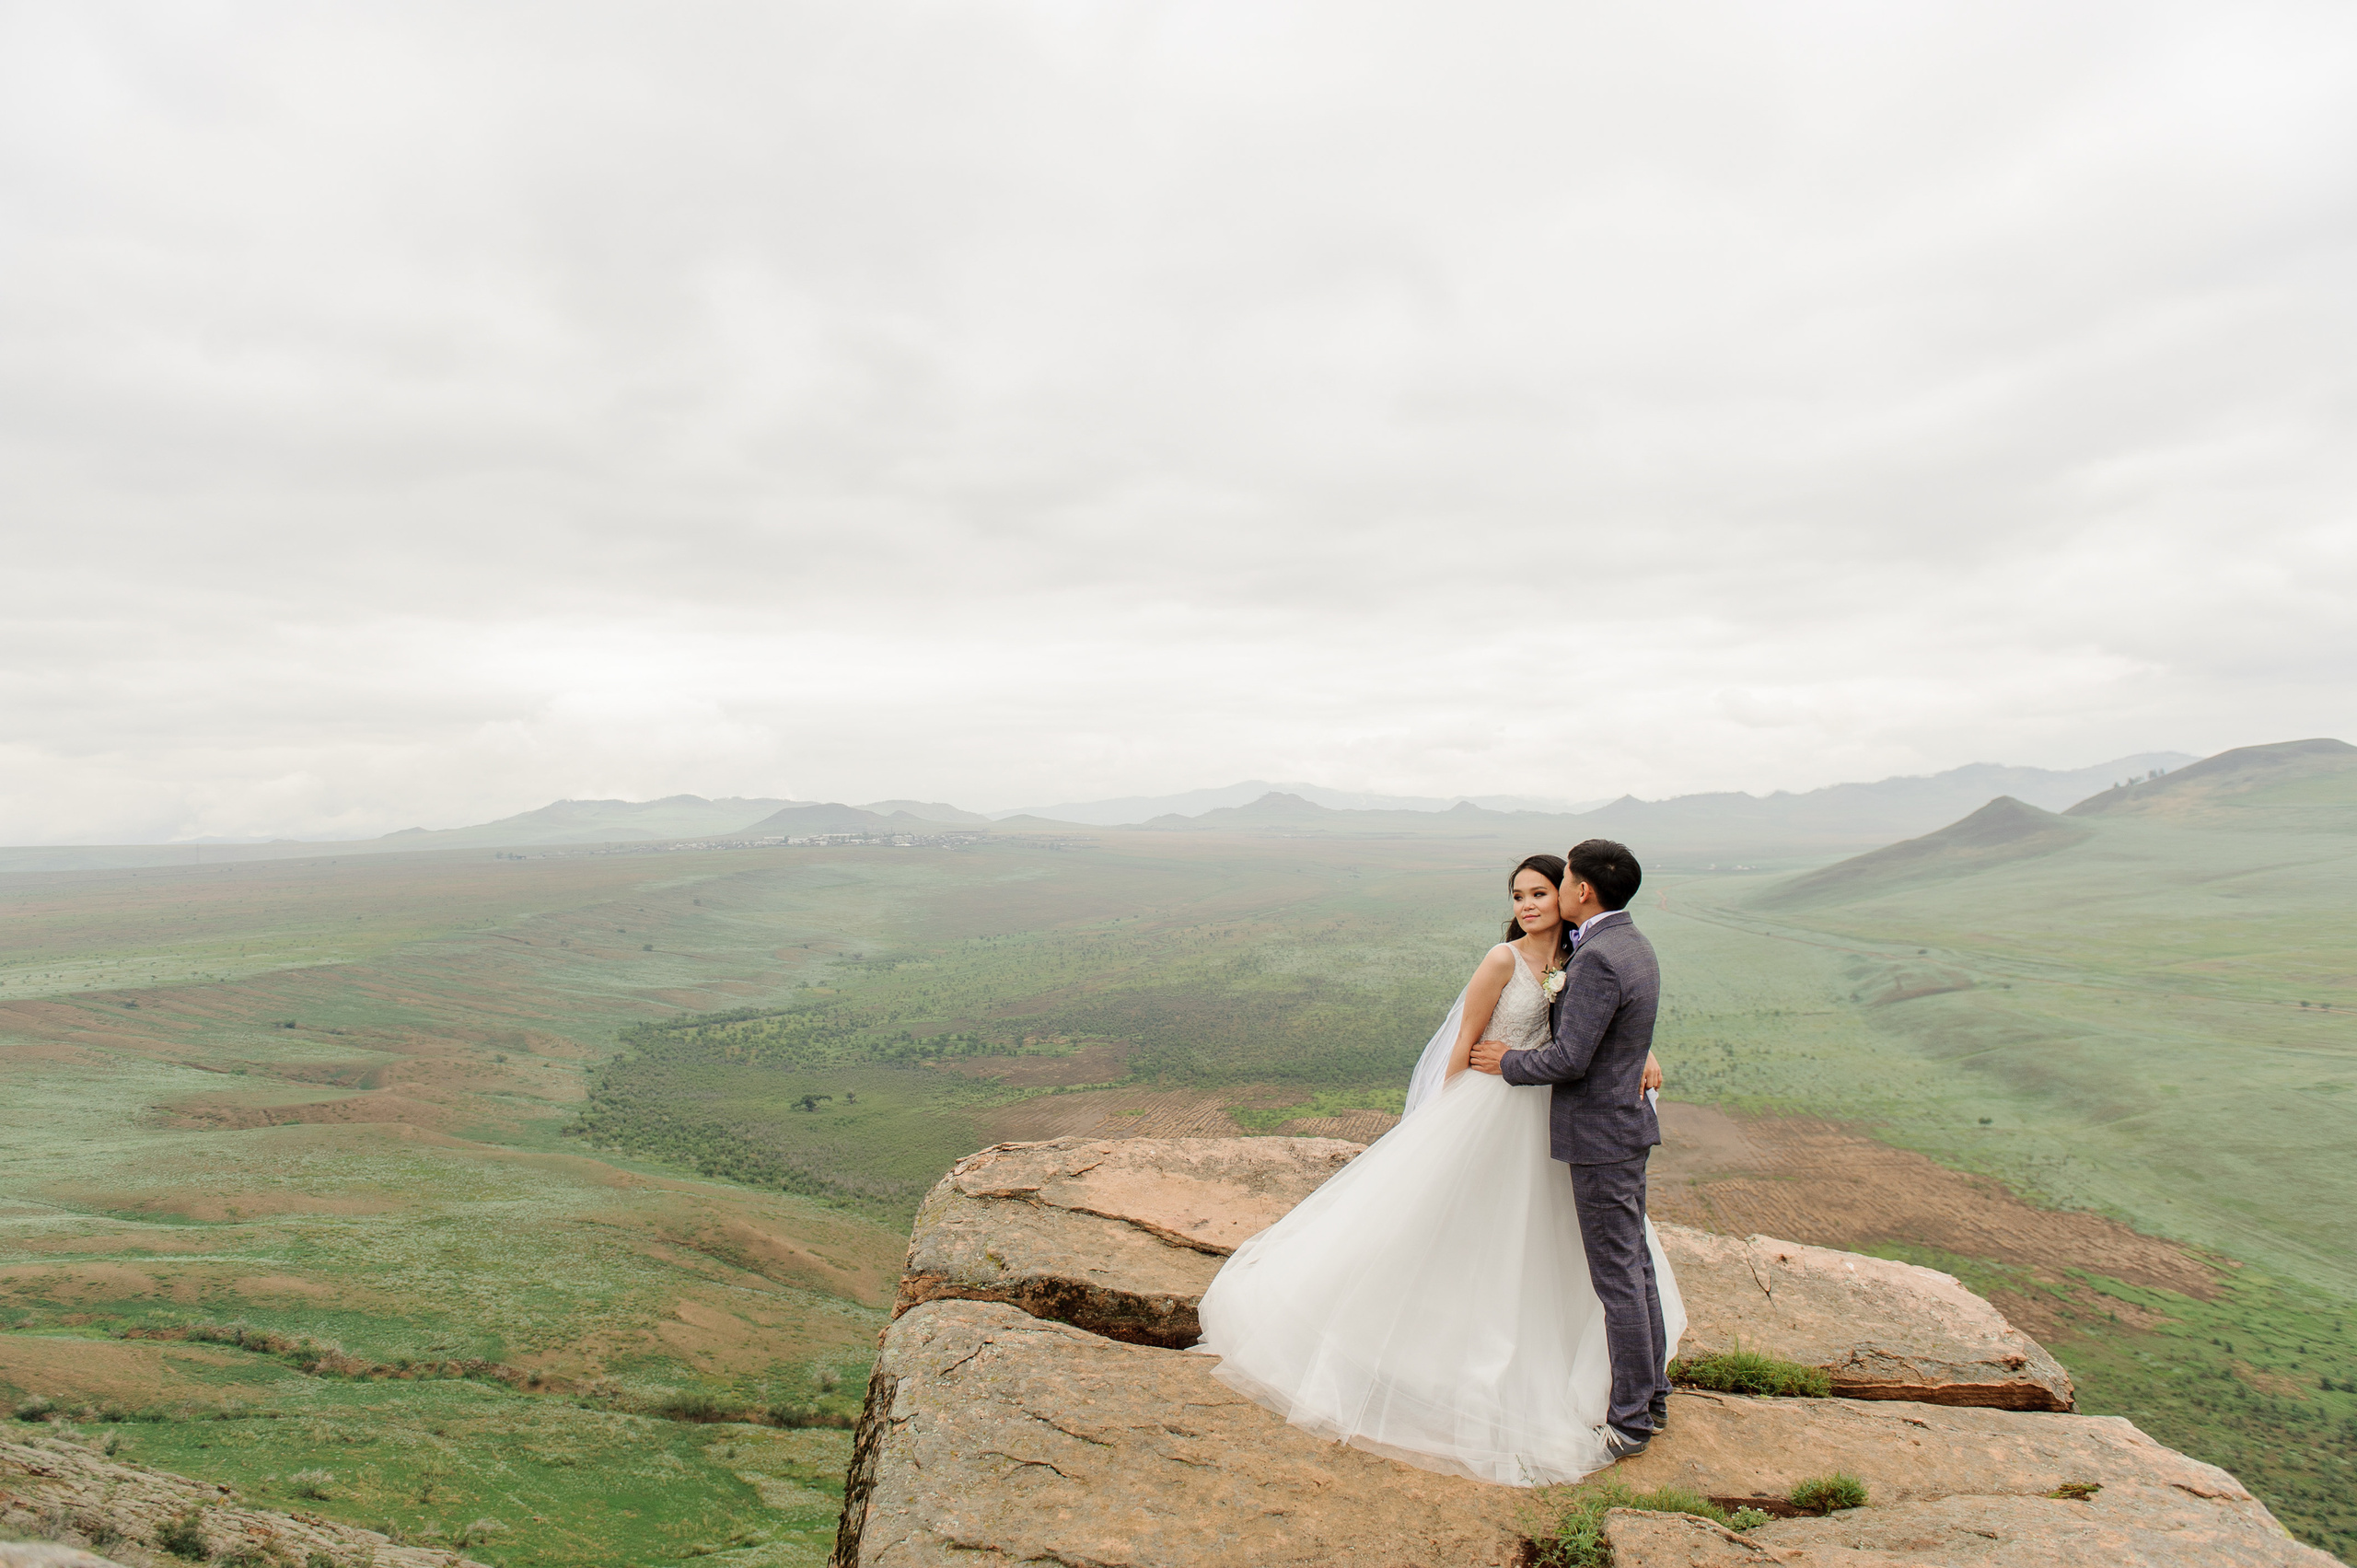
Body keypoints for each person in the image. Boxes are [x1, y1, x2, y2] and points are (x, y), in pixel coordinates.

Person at [1192, 850, 1682, 1485]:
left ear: (1577, 891)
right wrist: (1437, 1122)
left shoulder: (1584, 954)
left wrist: (1636, 1052)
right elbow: (1466, 1041)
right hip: (1499, 1113)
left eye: (1545, 889)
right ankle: (1639, 1401)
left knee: (1596, 1263)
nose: (1532, 902)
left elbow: (1592, 1031)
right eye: (1520, 895)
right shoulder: (1519, 956)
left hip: (1563, 1122)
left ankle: (1638, 1406)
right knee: (1540, 1248)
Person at [1469, 838, 1669, 1458]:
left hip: (1602, 1138)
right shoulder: (1629, 941)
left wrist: (1507, 1061)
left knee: (1618, 1281)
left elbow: (1570, 1058)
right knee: (1636, 1270)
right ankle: (1653, 1397)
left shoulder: (1598, 957)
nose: (1541, 898)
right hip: (1625, 1130)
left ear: (1580, 890)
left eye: (1557, 884)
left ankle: (1631, 1420)